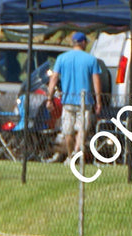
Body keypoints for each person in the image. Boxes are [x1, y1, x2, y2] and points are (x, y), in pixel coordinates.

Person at [47, 32, 102, 162]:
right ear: (83, 43)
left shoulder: (62, 58)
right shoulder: (91, 59)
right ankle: (77, 153)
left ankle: (71, 154)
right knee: (82, 130)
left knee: (68, 130)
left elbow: (54, 77)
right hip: (85, 101)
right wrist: (98, 101)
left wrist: (49, 98)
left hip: (67, 100)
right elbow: (96, 81)